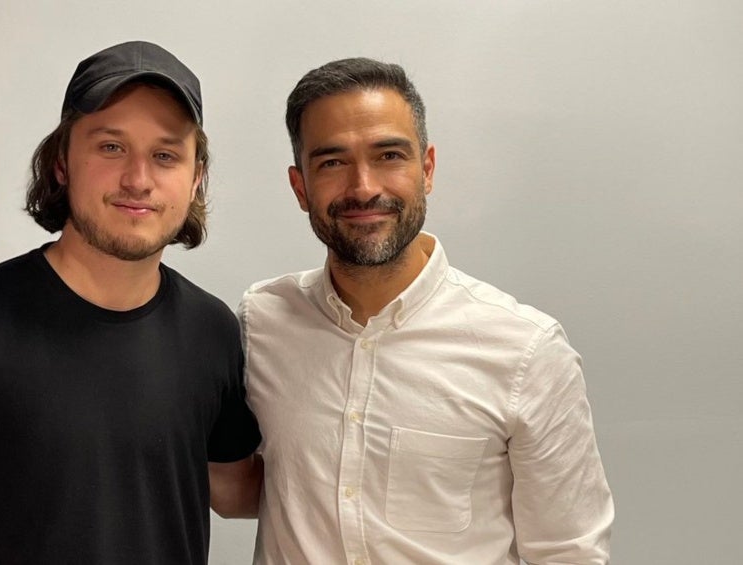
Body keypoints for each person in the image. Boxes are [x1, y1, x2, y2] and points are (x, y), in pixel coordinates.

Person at [0, 40, 262, 565]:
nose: (138, 180)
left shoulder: (213, 331)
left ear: (195, 177)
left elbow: (234, 492)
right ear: (61, 164)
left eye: (165, 155)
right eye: (111, 147)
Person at [239, 58, 614, 564]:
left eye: (389, 155)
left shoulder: (526, 351)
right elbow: (235, 486)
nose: (363, 186)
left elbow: (569, 552)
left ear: (427, 169)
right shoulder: (260, 323)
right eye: (332, 162)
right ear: (300, 187)